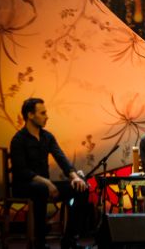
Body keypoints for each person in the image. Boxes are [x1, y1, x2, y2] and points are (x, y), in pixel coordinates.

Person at [10, 98, 89, 249]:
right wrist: (46, 182)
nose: (47, 116)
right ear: (30, 115)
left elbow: (61, 159)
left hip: (45, 185)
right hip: (23, 185)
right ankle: (40, 242)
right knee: (40, 189)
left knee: (81, 188)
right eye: (43, 113)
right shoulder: (18, 140)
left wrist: (76, 178)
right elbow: (21, 171)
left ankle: (69, 239)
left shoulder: (47, 137)